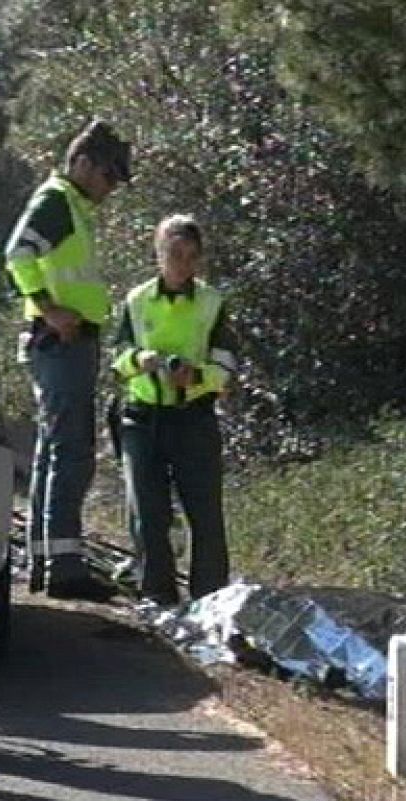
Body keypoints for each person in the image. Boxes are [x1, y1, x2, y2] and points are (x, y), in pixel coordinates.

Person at [6, 119, 133, 601]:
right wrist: (50, 308)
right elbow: (17, 255)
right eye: (108, 176)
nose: (110, 188)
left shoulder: (71, 204)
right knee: (72, 450)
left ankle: (49, 561)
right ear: (82, 163)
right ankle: (63, 566)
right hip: (61, 341)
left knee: (55, 449)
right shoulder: (56, 201)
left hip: (67, 341)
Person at [112, 215, 235, 606]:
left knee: (205, 515)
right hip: (141, 416)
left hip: (193, 417)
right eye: (174, 254)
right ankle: (156, 595)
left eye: (190, 256)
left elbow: (227, 367)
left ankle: (210, 600)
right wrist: (140, 359)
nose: (181, 264)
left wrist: (196, 377)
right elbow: (117, 358)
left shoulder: (213, 304)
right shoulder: (136, 300)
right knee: (147, 515)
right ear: (158, 254)